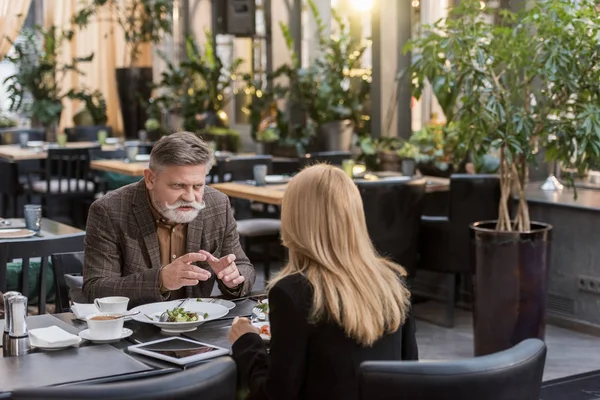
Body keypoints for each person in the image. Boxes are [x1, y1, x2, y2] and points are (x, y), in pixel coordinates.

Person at [228, 164, 418, 400]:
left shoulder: (292, 293)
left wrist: (247, 342)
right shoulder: (393, 281)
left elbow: (275, 395)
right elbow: (410, 372)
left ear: (294, 219)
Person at [83, 132, 255, 306]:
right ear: (151, 179)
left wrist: (234, 279)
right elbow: (95, 289)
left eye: (198, 186)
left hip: (200, 324)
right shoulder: (109, 210)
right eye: (178, 185)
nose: (190, 197)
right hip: (135, 326)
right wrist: (160, 280)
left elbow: (244, 267)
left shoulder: (217, 205)